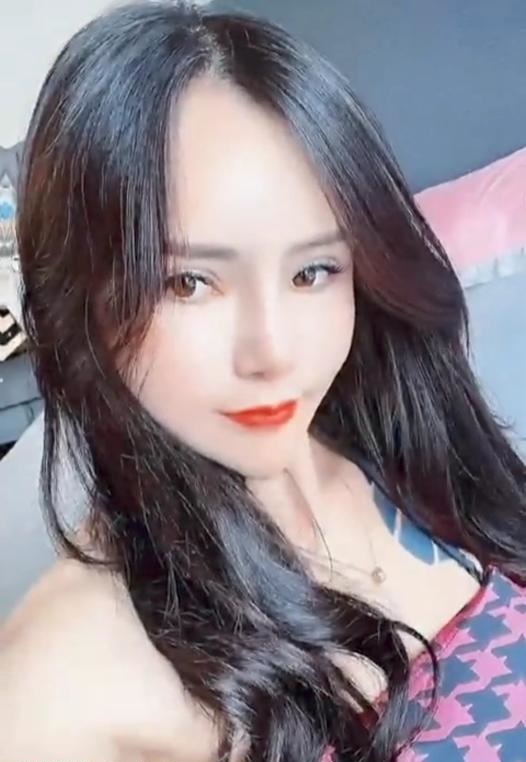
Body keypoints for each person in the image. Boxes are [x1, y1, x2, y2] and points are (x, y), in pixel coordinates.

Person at [1, 2, 525, 760]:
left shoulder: (400, 441)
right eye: (188, 283)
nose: (273, 352)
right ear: (81, 299)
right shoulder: (59, 696)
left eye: (313, 271)